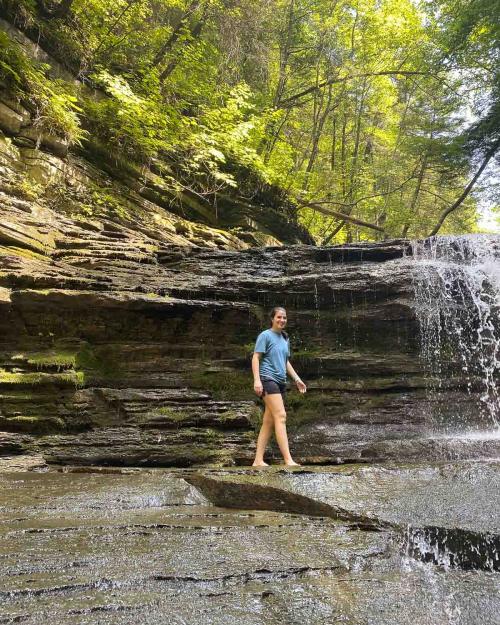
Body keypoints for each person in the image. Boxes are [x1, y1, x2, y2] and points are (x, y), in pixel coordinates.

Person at [251, 306, 306, 467]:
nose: (282, 320)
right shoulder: (265, 335)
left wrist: (296, 379)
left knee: (268, 421)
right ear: (272, 319)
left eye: (284, 318)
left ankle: (257, 460)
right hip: (268, 379)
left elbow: (285, 361)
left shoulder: (285, 338)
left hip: (280, 382)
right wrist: (257, 380)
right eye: (279, 317)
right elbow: (255, 358)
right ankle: (288, 459)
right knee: (281, 416)